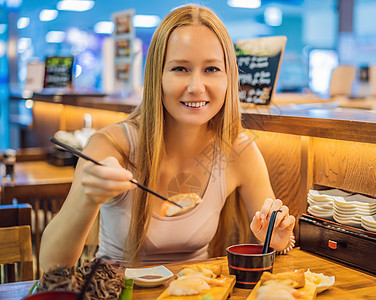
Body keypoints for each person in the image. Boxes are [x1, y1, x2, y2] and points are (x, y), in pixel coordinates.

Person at [40, 4, 296, 270]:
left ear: (229, 77)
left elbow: (278, 238)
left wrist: (279, 238)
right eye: (180, 69)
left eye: (211, 69)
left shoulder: (238, 149)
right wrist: (87, 197)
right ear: (157, 76)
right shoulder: (111, 145)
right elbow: (51, 264)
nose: (197, 87)